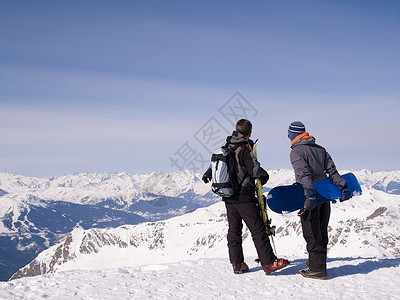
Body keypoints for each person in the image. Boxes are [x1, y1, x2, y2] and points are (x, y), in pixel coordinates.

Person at [203, 119, 289, 275]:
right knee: (258, 229)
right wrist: (264, 176)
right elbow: (254, 170)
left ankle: (237, 264)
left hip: (228, 196)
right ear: (249, 133)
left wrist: (207, 175)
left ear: (236, 131)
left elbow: (213, 166)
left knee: (234, 230)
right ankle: (269, 262)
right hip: (244, 196)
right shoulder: (243, 149)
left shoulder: (226, 146)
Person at [288, 121, 351, 280]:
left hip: (311, 197)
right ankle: (316, 262)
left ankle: (317, 269)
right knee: (321, 230)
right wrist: (343, 186)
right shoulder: (320, 149)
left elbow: (303, 175)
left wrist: (309, 195)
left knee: (311, 232)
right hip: (325, 196)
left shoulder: (297, 152)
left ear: (293, 135)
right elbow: (333, 172)